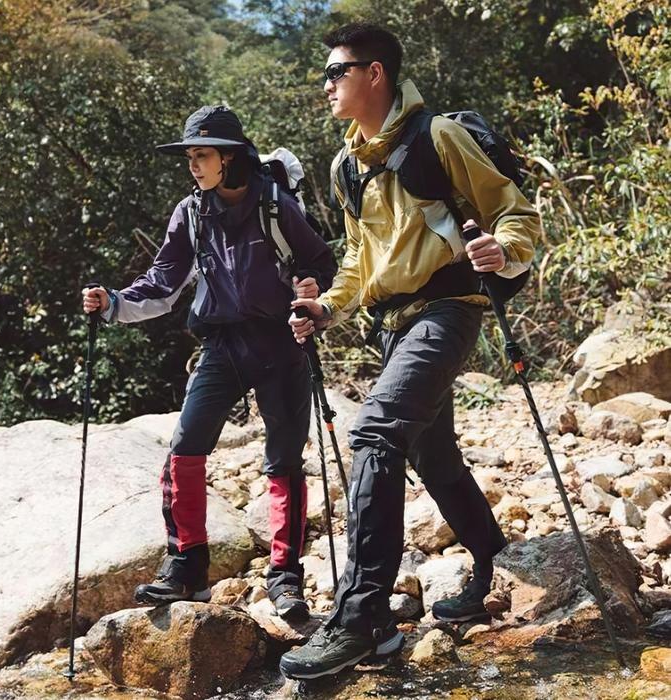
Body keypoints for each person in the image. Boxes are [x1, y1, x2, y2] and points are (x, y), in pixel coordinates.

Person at [280, 23, 541, 678]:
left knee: (375, 433)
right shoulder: (347, 166)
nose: (326, 85)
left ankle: (364, 617)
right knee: (431, 451)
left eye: (336, 72)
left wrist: (502, 248)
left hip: (449, 311)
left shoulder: (437, 137)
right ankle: (491, 563)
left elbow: (515, 213)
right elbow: (358, 261)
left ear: (375, 74)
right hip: (393, 326)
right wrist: (326, 308)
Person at [82, 105, 337, 620]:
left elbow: (322, 263)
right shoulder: (191, 212)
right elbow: (163, 283)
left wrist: (313, 288)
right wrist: (112, 303)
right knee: (185, 447)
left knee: (284, 460)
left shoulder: (276, 206)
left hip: (281, 343)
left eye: (201, 155)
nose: (193, 166)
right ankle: (187, 567)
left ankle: (285, 578)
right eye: (190, 157)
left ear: (229, 157)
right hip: (222, 347)